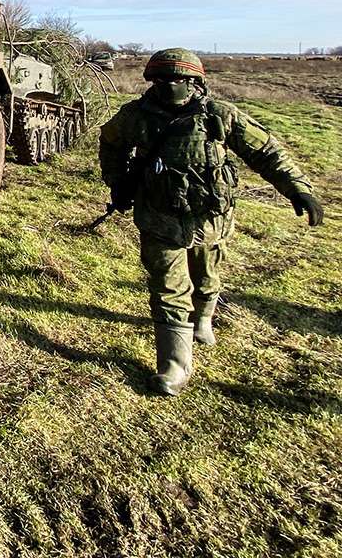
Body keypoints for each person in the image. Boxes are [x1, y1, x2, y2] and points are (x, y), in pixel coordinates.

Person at [99, 48, 326, 396]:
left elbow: (266, 151)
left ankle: (203, 318)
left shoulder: (218, 116)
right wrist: (118, 182)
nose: (168, 86)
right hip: (159, 217)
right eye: (160, 80)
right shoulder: (135, 116)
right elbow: (110, 143)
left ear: (194, 82)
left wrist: (299, 190)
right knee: (168, 286)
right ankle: (174, 364)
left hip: (210, 218)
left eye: (176, 79)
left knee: (206, 275)